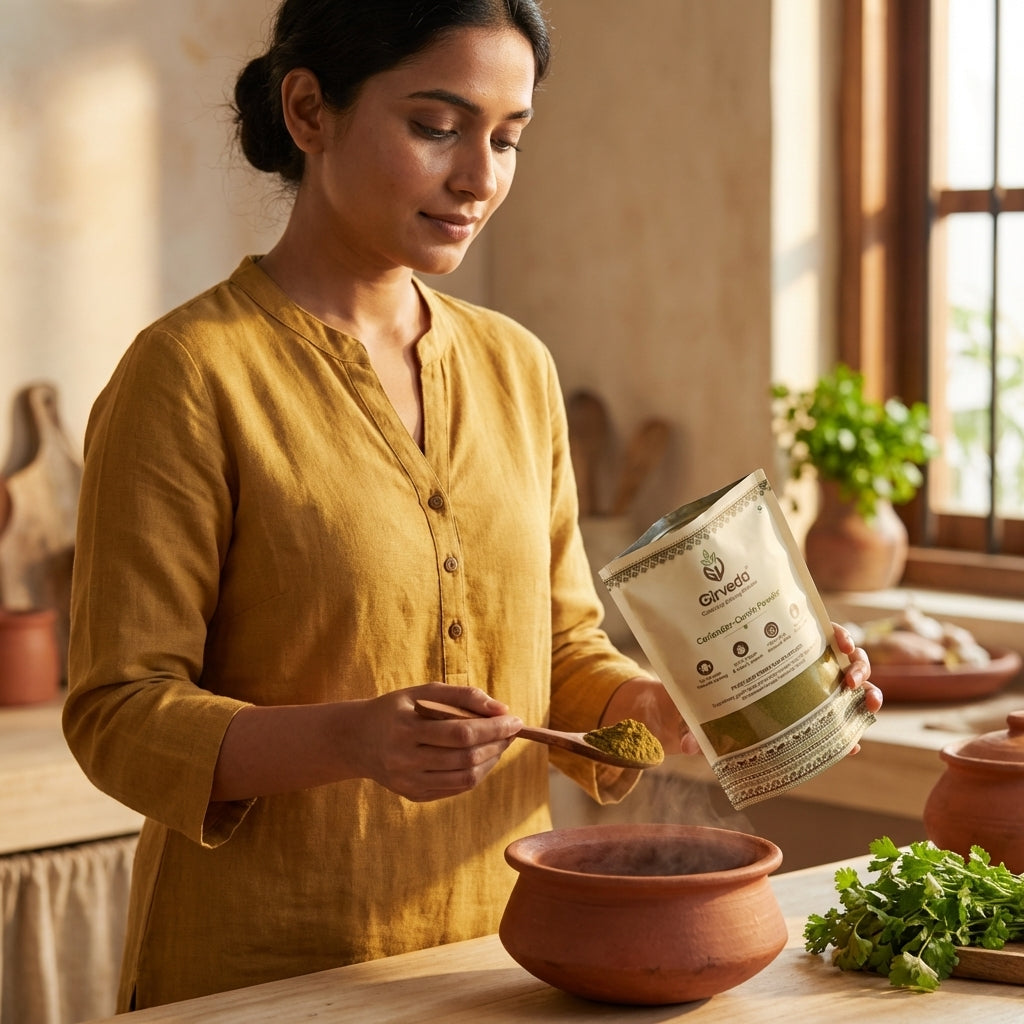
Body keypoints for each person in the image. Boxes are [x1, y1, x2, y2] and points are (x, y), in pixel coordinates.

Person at [63, 0, 881, 1012]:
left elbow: (563, 646)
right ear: (309, 110)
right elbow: (118, 713)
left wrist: (667, 707)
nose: (479, 178)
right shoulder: (188, 374)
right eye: (436, 126)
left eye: (507, 137)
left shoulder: (514, 368)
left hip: (498, 962)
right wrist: (352, 739)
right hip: (262, 975)